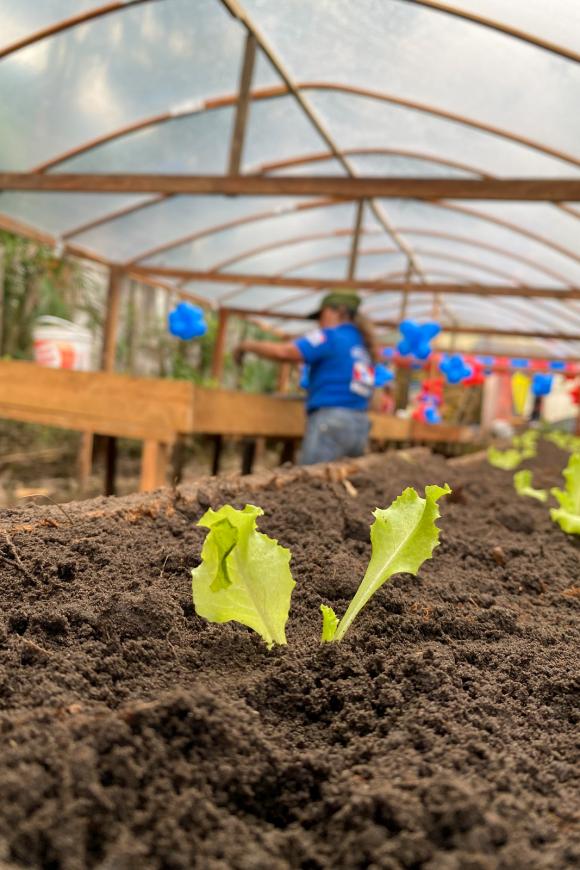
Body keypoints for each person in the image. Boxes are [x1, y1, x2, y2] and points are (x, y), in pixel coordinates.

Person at [234, 291, 378, 464]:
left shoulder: (330, 336)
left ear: (339, 311)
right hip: (359, 424)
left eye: (322, 315)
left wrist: (247, 346)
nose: (319, 322)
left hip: (332, 422)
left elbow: (284, 352)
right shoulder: (362, 345)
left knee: (312, 478)